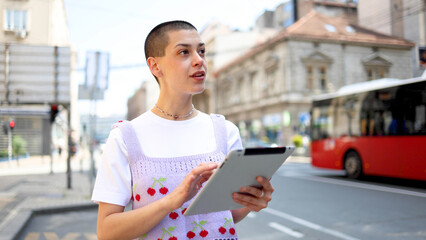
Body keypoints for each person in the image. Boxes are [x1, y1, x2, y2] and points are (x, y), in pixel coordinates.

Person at [92, 20, 275, 240]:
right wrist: (172, 200)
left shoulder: (225, 131)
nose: (199, 61)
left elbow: (227, 215)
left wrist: (252, 202)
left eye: (201, 51)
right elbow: (106, 232)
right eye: (184, 52)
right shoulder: (125, 138)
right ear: (155, 66)